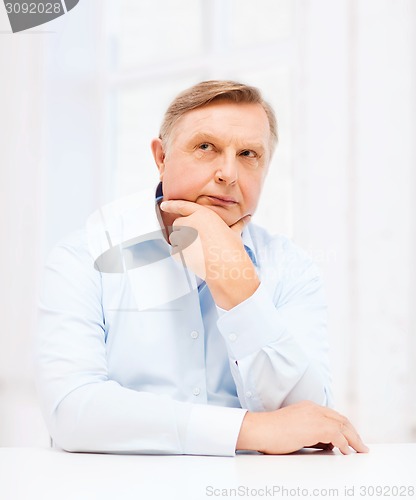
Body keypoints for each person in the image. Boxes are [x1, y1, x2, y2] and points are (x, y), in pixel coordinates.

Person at [35, 80, 368, 456]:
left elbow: (311, 422)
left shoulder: (292, 269)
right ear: (162, 158)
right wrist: (250, 431)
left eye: (248, 154)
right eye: (205, 147)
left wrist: (237, 287)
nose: (228, 173)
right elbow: (72, 412)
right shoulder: (83, 258)